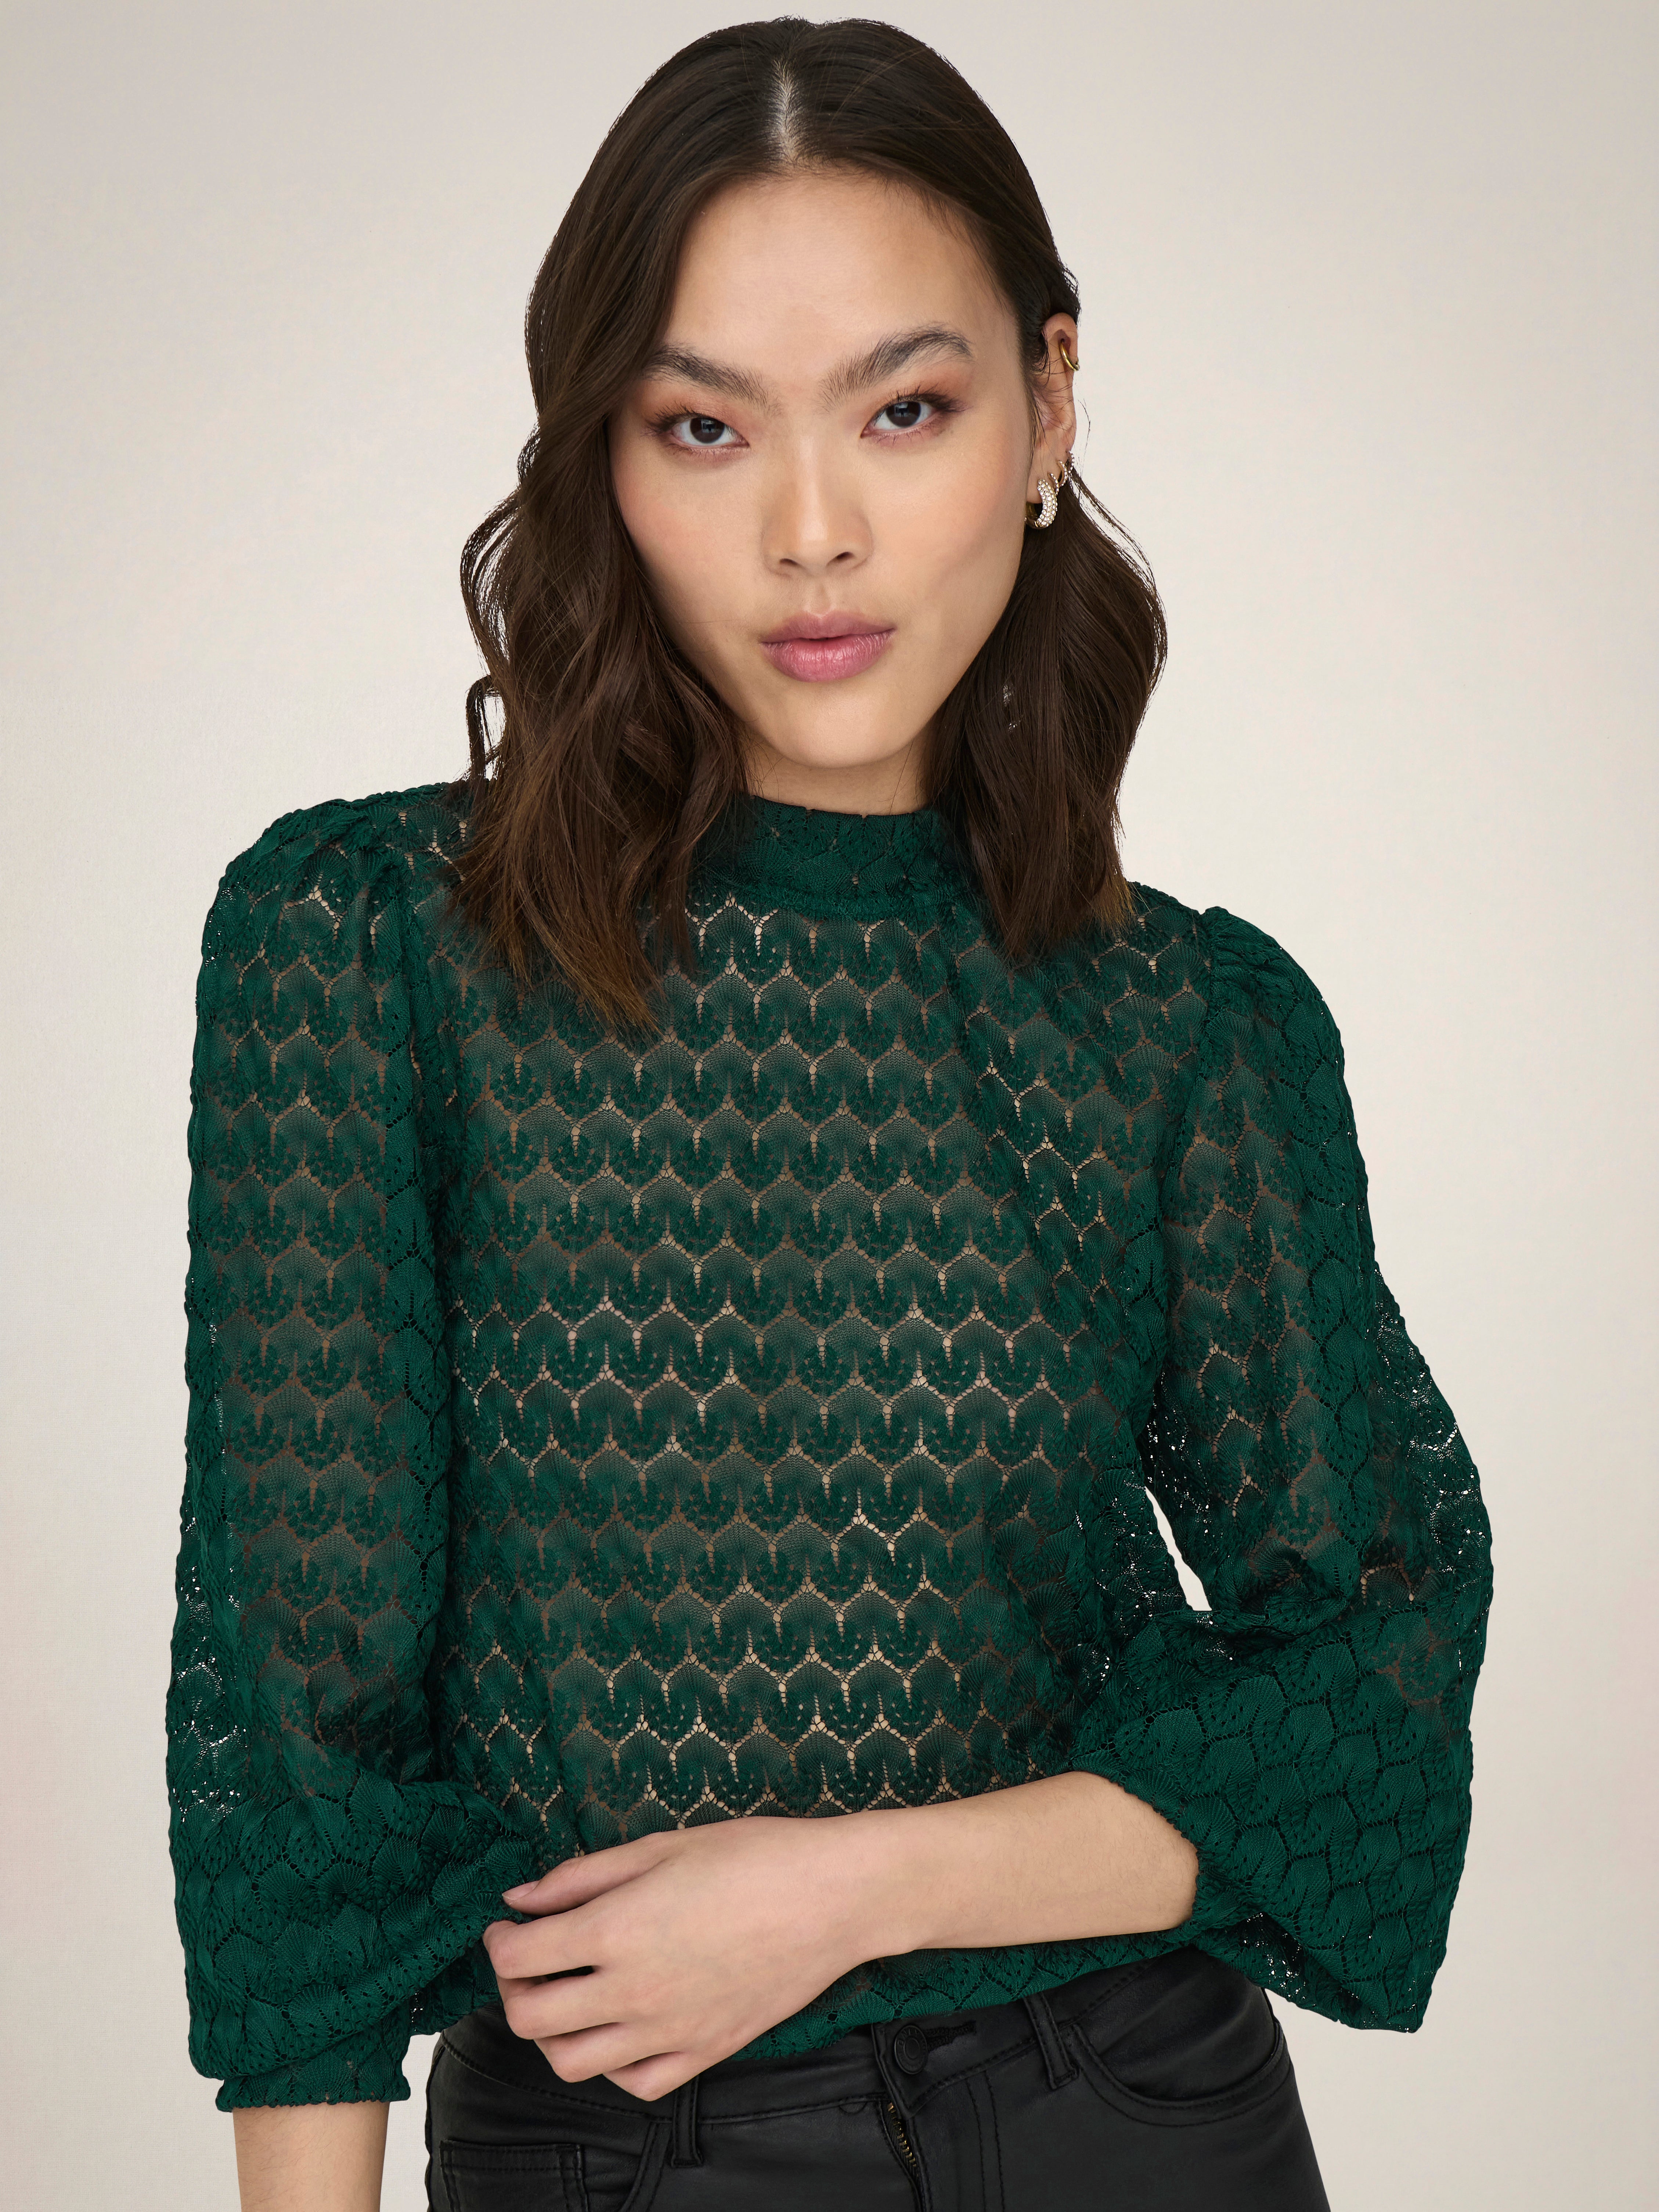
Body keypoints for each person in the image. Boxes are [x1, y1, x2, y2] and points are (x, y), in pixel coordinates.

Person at [165, 18, 1494, 2210]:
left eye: (905, 409)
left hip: (1136, 2113)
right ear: (603, 456)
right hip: (627, 2149)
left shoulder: (1192, 1024)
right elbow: (301, 1753)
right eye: (703, 425)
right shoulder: (369, 944)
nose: (811, 533)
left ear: (1048, 406)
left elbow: (1373, 1653)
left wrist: (850, 1886)